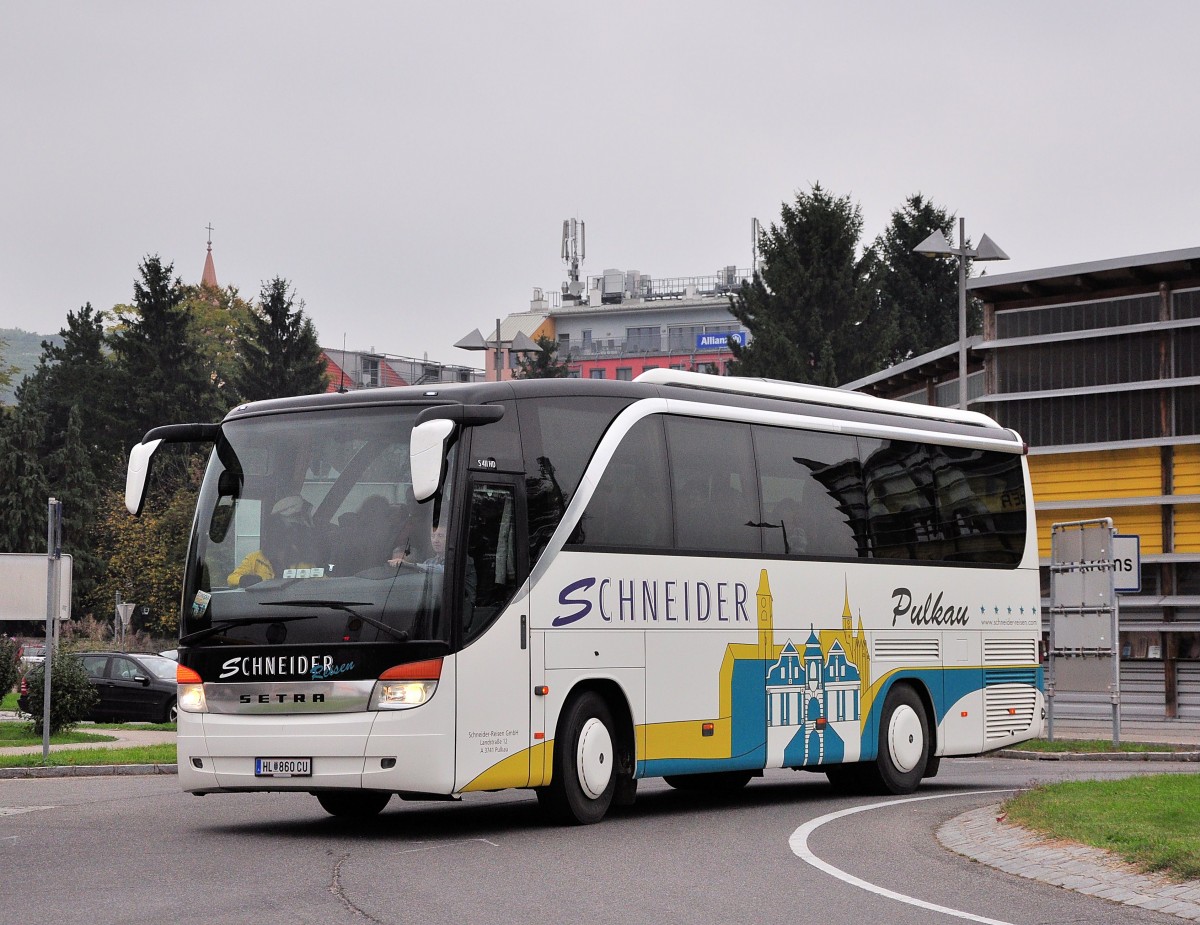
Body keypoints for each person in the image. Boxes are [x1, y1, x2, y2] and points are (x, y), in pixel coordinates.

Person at [228, 495, 320, 587]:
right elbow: (232, 579)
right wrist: (244, 580)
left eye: (295, 531)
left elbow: (323, 583)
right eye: (286, 531)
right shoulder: (255, 558)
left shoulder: (304, 562)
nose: (290, 536)